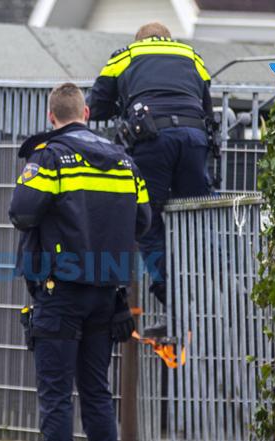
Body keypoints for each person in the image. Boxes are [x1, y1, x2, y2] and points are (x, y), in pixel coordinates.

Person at [9, 83, 149, 441]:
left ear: (52, 116)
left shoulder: (49, 156)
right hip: (107, 295)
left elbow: (21, 212)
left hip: (60, 293)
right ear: (86, 112)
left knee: (55, 393)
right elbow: (143, 220)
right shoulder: (125, 161)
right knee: (96, 391)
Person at [88, 22, 213, 336]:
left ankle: (172, 300)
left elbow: (97, 104)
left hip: (152, 141)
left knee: (147, 220)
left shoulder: (126, 55)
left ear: (139, 39)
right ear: (167, 40)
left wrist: (125, 105)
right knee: (197, 215)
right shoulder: (192, 55)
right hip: (194, 138)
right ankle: (213, 295)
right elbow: (207, 107)